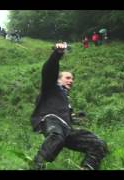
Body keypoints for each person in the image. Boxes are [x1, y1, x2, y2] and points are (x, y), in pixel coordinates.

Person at [30, 42, 108, 170]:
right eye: (67, 78)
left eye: (72, 79)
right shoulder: (51, 87)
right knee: (57, 136)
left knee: (98, 143)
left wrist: (74, 116)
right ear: (58, 80)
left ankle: (88, 168)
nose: (71, 81)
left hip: (66, 128)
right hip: (51, 120)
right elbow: (48, 71)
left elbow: (64, 114)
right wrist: (57, 54)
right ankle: (36, 165)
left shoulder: (66, 98)